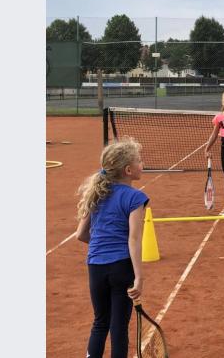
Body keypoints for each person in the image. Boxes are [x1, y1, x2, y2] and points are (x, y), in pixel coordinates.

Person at [76, 137, 148, 358]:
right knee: (118, 329)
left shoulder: (96, 193)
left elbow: (81, 234)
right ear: (128, 170)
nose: (142, 164)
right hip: (121, 267)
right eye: (139, 161)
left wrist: (102, 246)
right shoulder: (136, 197)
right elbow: (133, 240)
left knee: (100, 322)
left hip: (95, 266)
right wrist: (139, 277)